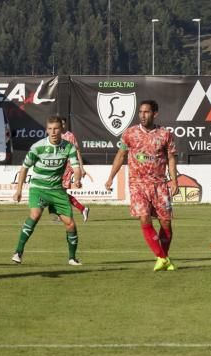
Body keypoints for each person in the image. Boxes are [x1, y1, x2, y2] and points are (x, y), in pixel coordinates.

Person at [104, 100, 179, 271]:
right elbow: (121, 155)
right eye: (140, 112)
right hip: (138, 184)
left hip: (159, 184)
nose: (143, 115)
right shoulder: (130, 133)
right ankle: (162, 257)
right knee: (144, 218)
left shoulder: (165, 134)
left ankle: (163, 258)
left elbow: (171, 158)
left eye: (146, 112)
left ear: (155, 114)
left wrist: (174, 180)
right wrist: (110, 177)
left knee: (166, 223)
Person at [11, 116, 83, 265]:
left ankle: (72, 258)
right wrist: (19, 190)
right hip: (39, 188)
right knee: (35, 215)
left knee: (70, 224)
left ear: (61, 129)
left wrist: (77, 179)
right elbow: (24, 168)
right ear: (46, 130)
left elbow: (76, 167)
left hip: (57, 190)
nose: (53, 132)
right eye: (50, 129)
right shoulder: (38, 147)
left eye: (56, 128)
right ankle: (18, 252)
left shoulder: (69, 147)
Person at [60, 117, 89, 222]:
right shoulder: (56, 136)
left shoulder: (69, 136)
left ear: (65, 124)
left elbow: (77, 152)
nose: (62, 126)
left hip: (67, 167)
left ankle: (64, 214)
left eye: (63, 124)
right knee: (59, 192)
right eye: (60, 124)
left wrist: (81, 168)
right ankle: (82, 209)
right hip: (57, 168)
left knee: (60, 191)